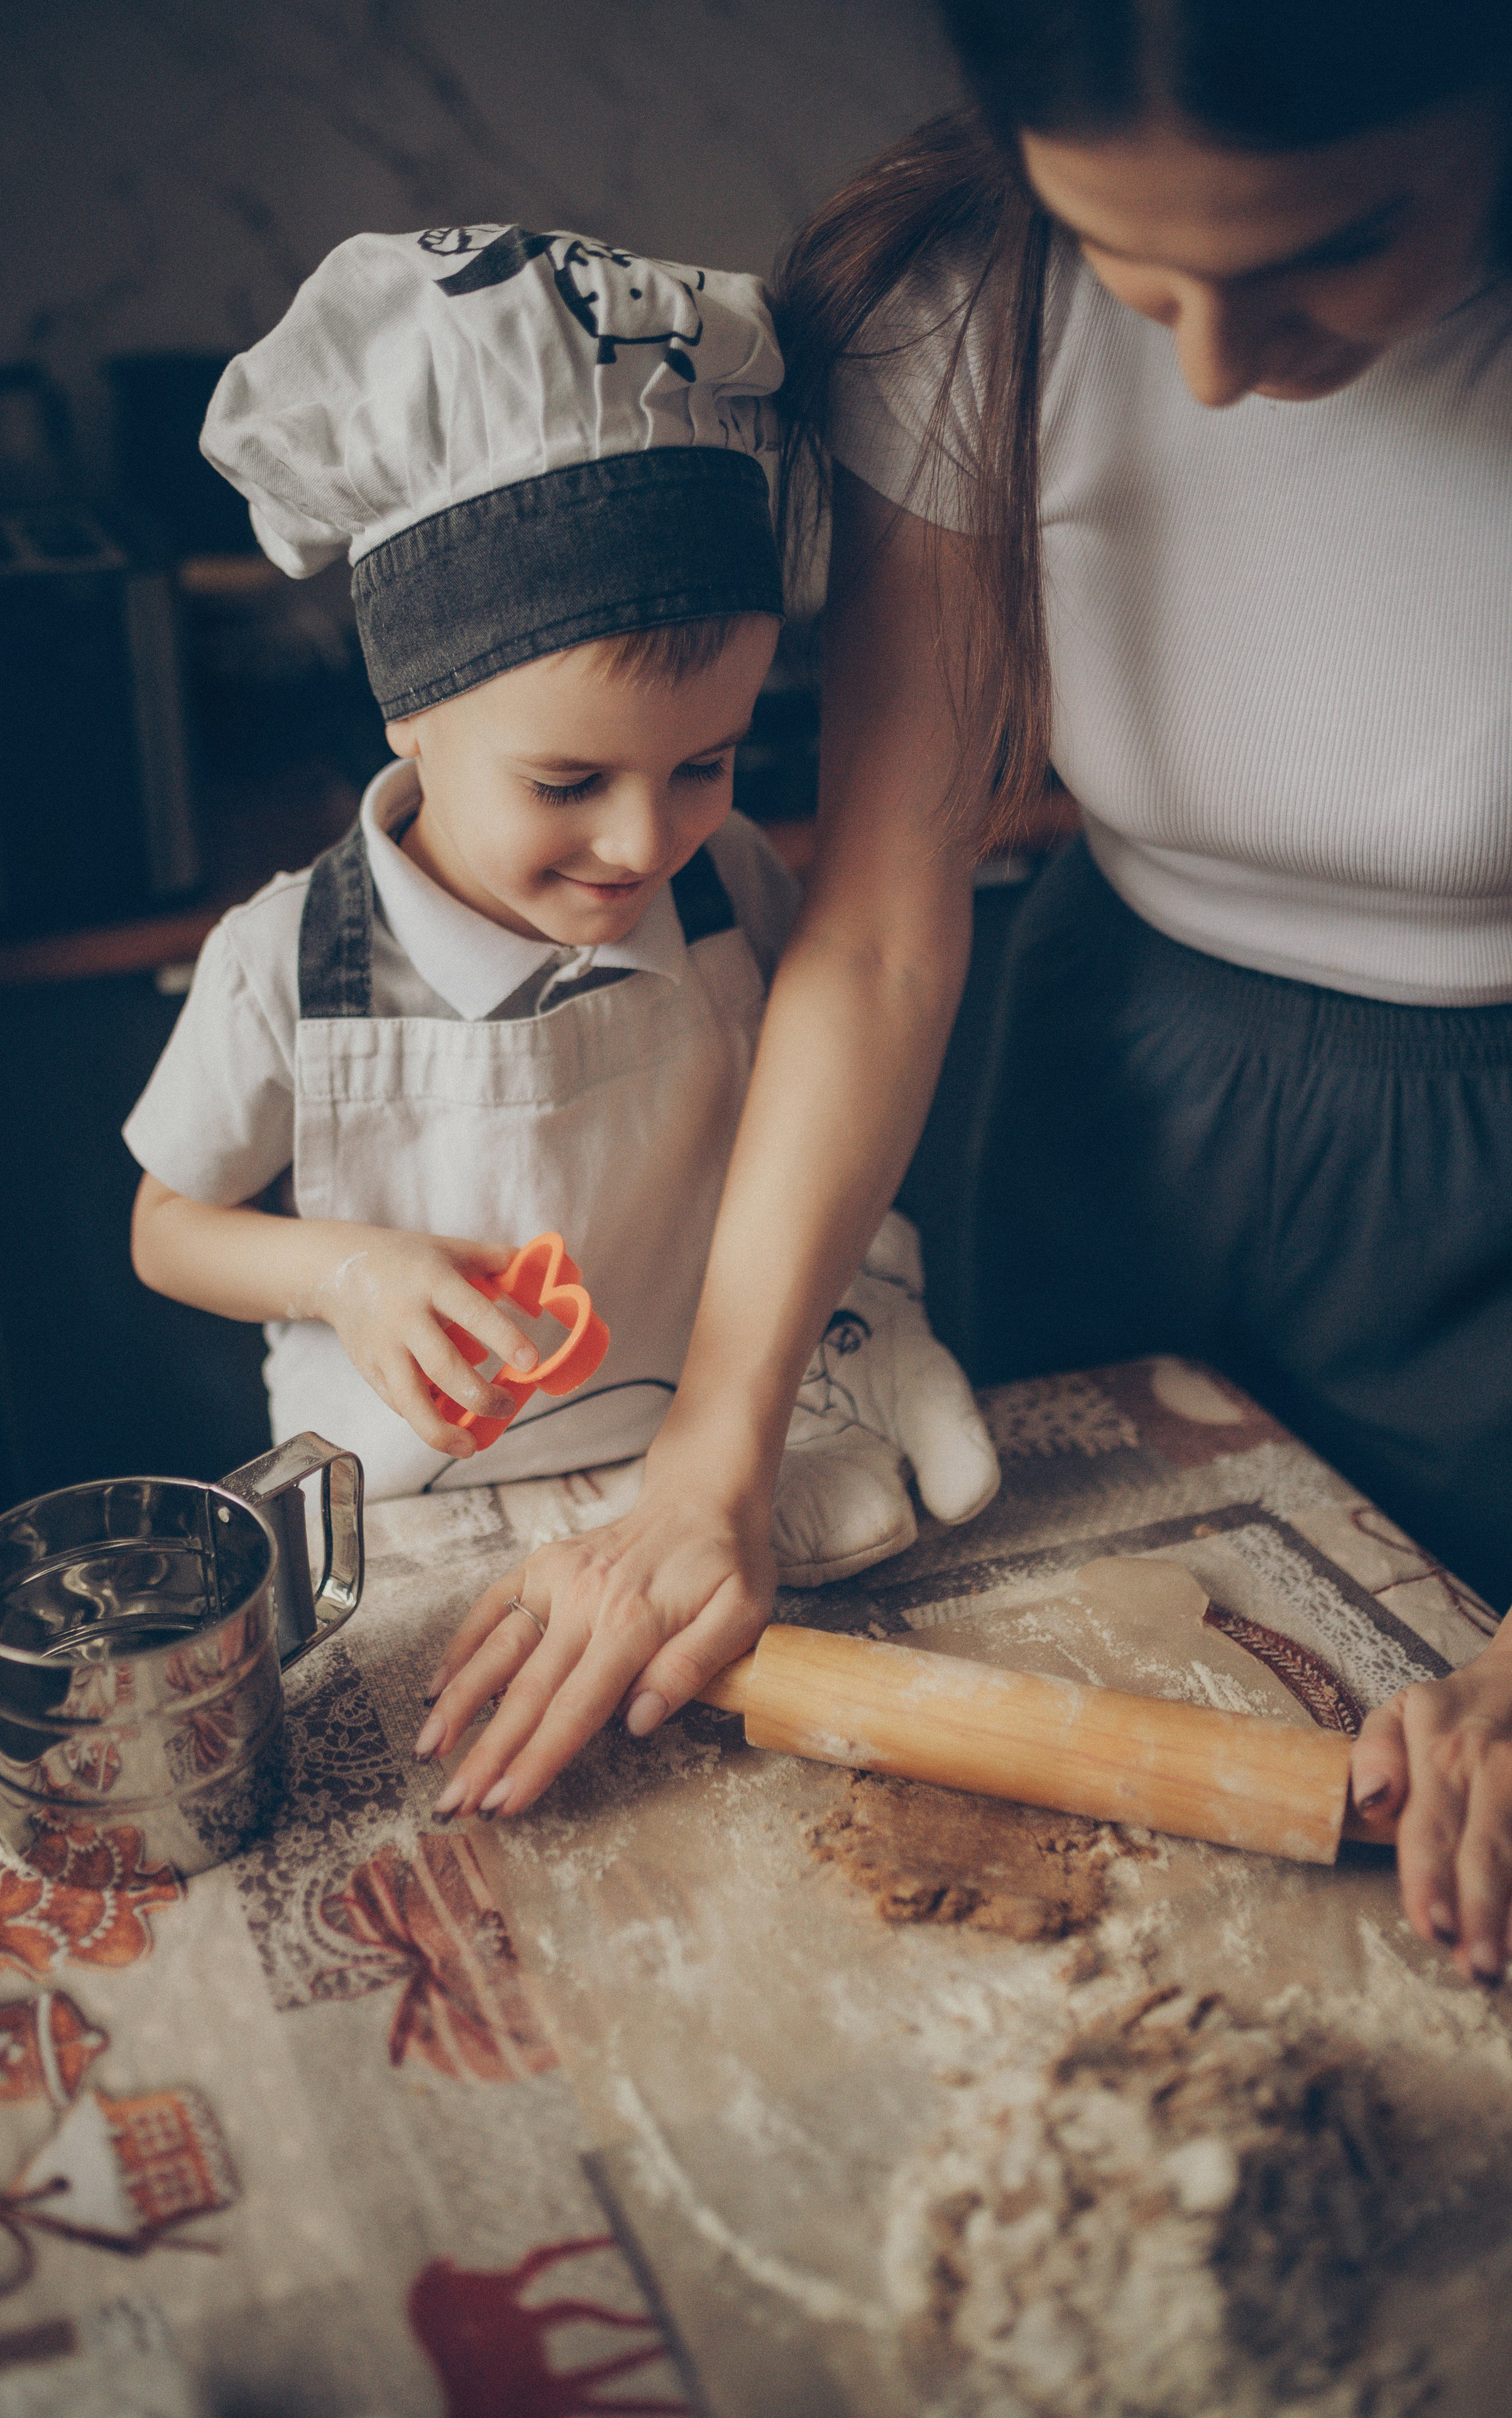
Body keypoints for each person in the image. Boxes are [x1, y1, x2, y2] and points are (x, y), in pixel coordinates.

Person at [424, 3, 1512, 1988]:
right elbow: (884, 924)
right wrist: (713, 1462)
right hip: (1116, 1094)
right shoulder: (966, 304)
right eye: (1135, 263)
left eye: (1330, 251)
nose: (1215, 366)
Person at [124, 224, 999, 1589]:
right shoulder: (284, 962)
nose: (644, 838)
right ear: (409, 713)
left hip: (689, 1484)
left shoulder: (733, 886)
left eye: (704, 763)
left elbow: (822, 1109)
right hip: (404, 1545)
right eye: (567, 778)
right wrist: (347, 1274)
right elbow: (163, 1227)